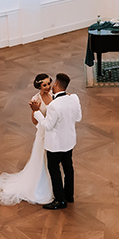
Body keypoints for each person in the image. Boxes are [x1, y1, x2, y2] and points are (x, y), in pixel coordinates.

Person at [0, 73, 54, 205]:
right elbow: (34, 121)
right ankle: (42, 187)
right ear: (39, 86)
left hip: (54, 131)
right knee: (43, 159)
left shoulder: (53, 94)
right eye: (44, 85)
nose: (47, 87)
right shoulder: (36, 99)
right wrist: (35, 111)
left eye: (48, 83)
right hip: (43, 132)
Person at [30, 72, 81, 210]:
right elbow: (78, 118)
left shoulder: (54, 105)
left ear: (56, 84)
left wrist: (36, 111)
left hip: (55, 145)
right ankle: (69, 195)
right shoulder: (74, 98)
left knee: (54, 170)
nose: (49, 86)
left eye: (51, 83)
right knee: (68, 168)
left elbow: (47, 126)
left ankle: (60, 200)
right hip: (69, 141)